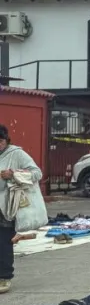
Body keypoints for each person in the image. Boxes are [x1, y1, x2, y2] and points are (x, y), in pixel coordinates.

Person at [0, 124, 43, 294]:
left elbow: (36, 173)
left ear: (6, 141)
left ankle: (4, 277)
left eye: (0, 141)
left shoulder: (16, 154)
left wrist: (14, 174)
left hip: (6, 207)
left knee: (3, 242)